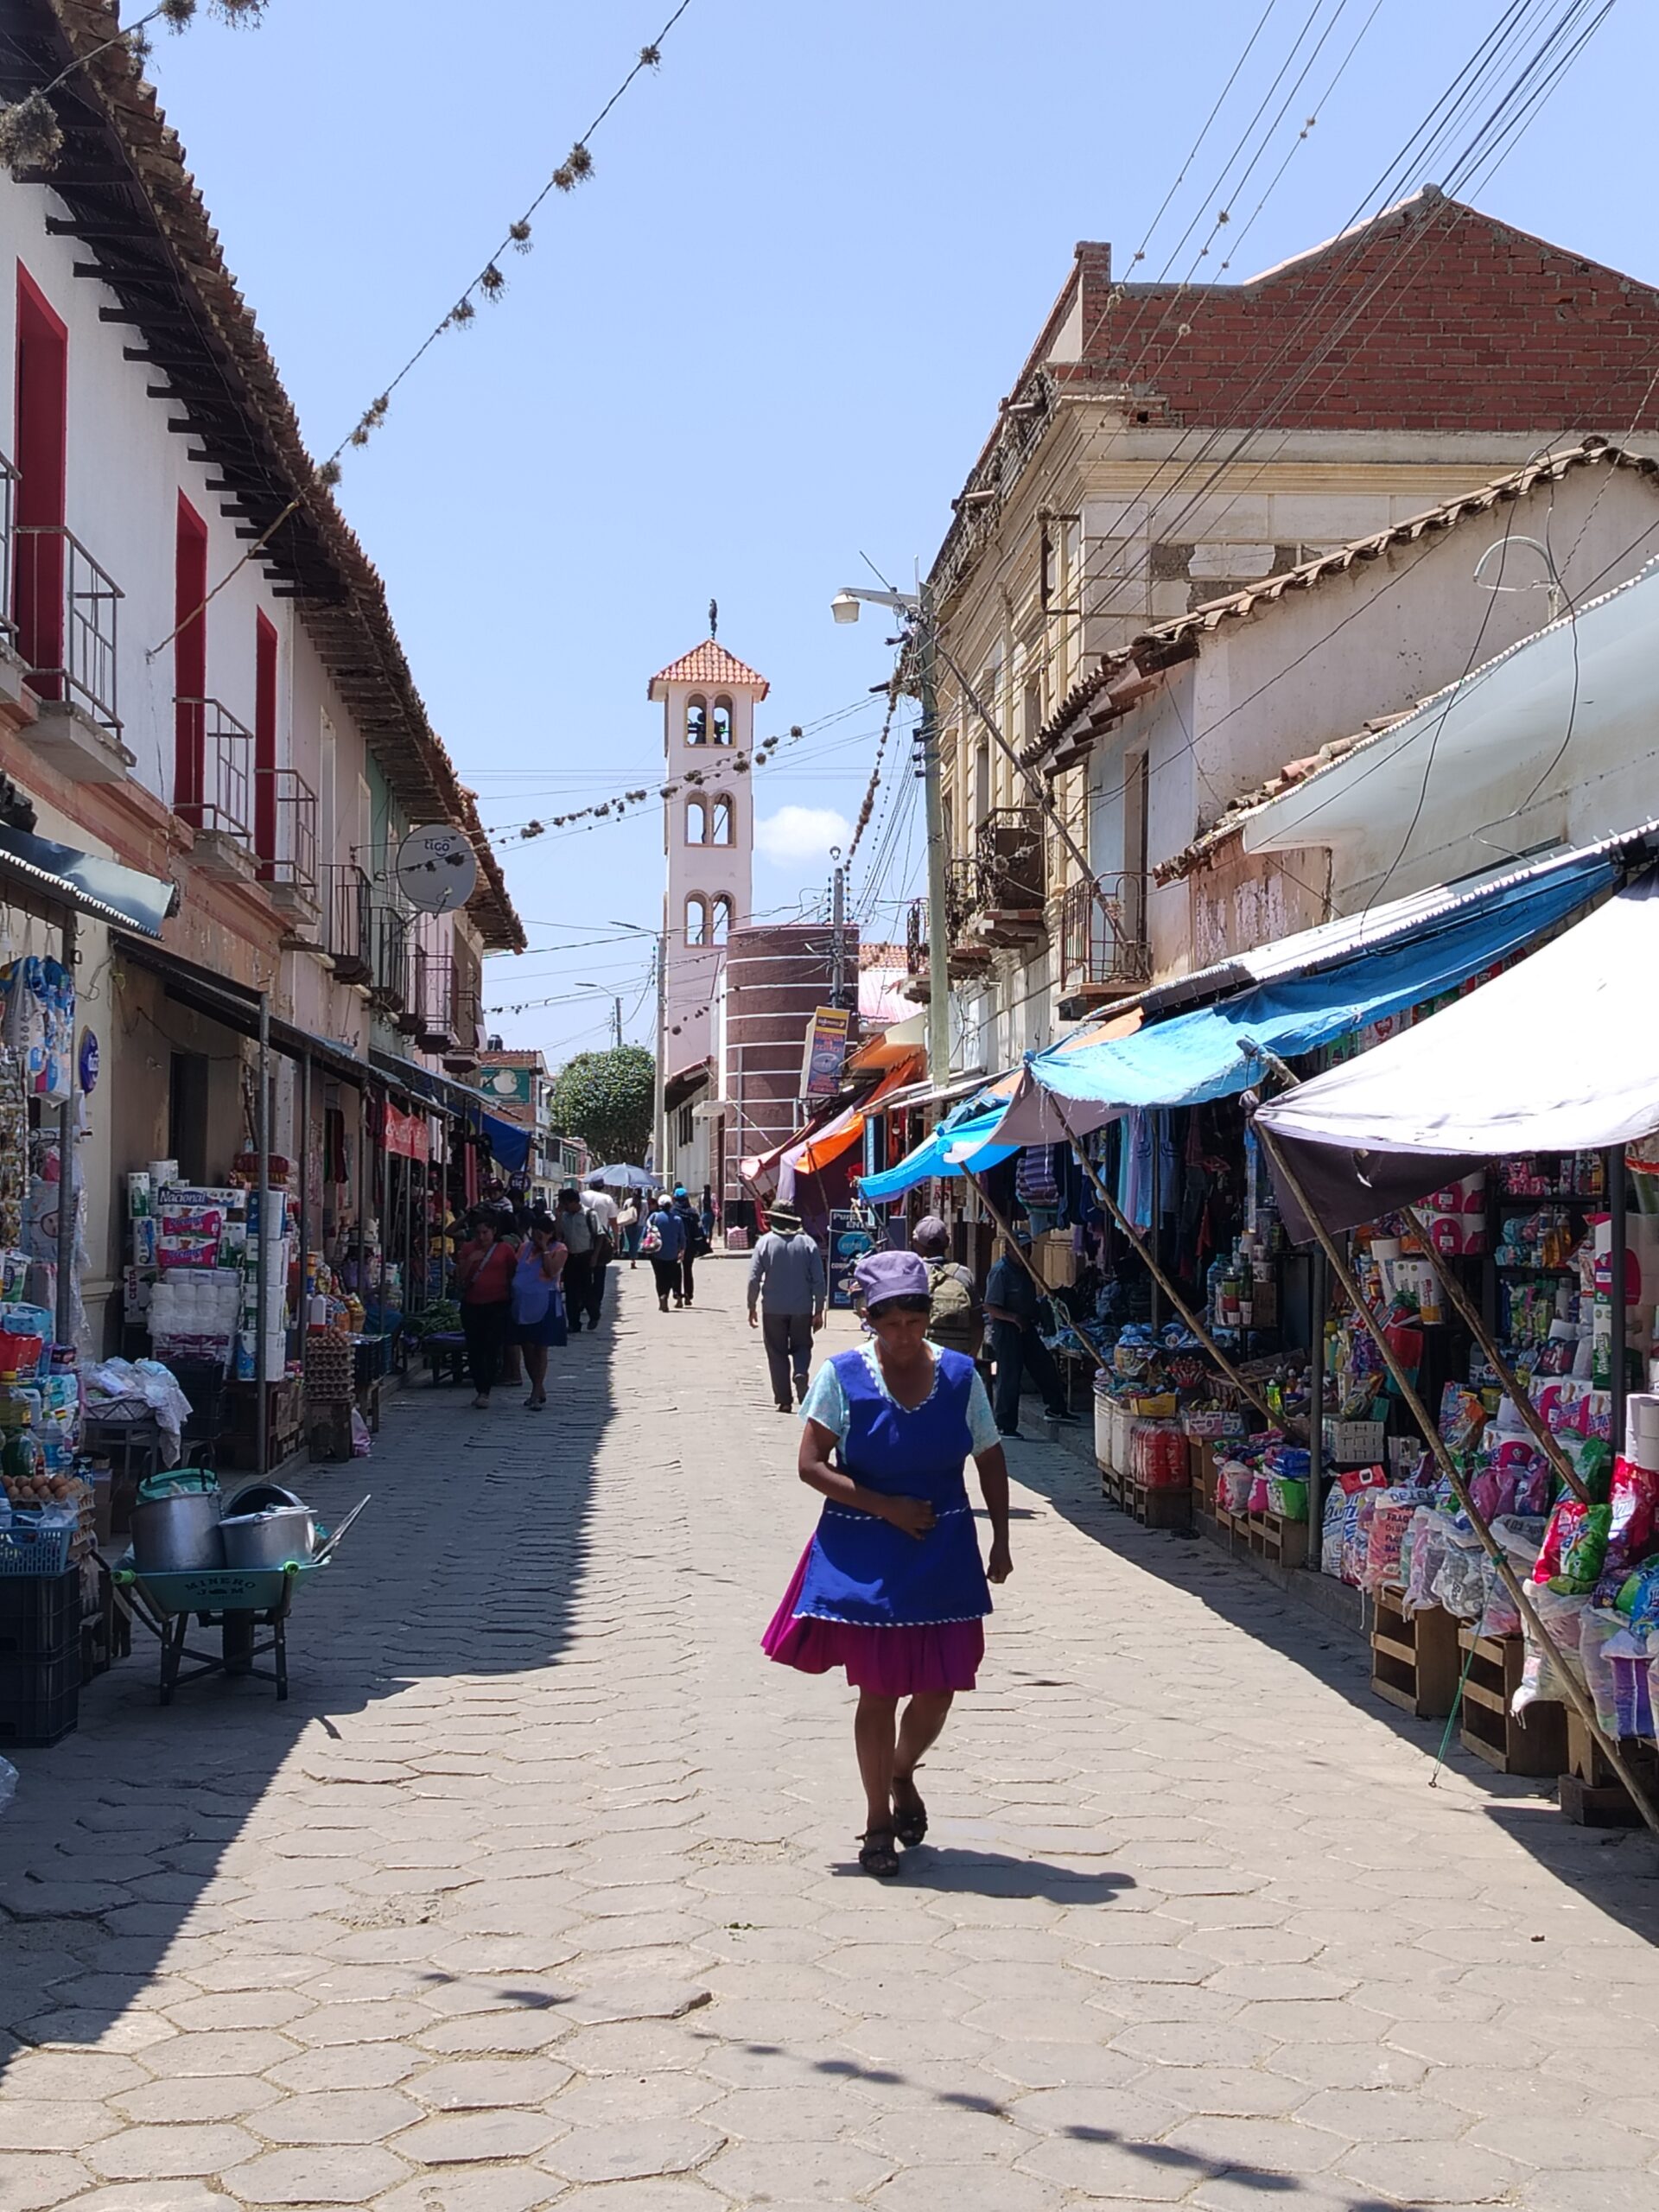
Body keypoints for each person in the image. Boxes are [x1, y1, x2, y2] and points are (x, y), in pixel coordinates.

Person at [764, 1249, 1011, 1878]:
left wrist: (1002, 1540)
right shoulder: (841, 1376)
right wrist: (885, 1507)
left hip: (944, 1549)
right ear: (867, 1318)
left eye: (914, 1320)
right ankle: (877, 1822)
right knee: (878, 1692)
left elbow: (988, 1455)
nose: (902, 1335)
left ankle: (902, 1769)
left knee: (940, 1689)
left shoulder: (961, 1376)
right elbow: (810, 1463)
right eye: (888, 1322)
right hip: (868, 1552)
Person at [984, 1229, 1072, 1437]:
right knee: (1010, 1375)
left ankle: (1056, 1408)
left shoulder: (1024, 1269)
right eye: (1021, 1248)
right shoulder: (1001, 1272)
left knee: (1044, 1365)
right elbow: (990, 1306)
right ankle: (1005, 1424)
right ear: (1008, 1249)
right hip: (1008, 1329)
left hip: (1026, 1326)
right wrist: (1014, 1318)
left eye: (1028, 1247)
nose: (1026, 1252)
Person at [747, 1204, 826, 1412]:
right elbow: (819, 1280)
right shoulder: (808, 1244)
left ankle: (784, 1399)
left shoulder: (764, 1243)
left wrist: (751, 1306)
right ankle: (800, 1372)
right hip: (802, 1308)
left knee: (776, 1352)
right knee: (802, 1346)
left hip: (773, 1309)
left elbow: (754, 1278)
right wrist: (819, 1310)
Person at [455, 1208, 519, 1409]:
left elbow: (513, 1274)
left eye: (486, 1233)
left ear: (494, 1231)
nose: (482, 1237)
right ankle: (479, 1385)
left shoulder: (504, 1250)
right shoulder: (467, 1249)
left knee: (492, 1347)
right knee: (475, 1348)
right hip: (472, 1304)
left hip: (498, 1303)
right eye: (479, 1233)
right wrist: (470, 1261)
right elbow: (459, 1279)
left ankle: (485, 1391)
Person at [512, 1211, 568, 1409]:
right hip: (523, 1303)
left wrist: (544, 1248)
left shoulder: (559, 1249)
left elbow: (552, 1271)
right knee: (526, 1346)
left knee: (541, 1347)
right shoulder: (524, 1248)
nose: (535, 1237)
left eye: (540, 1233)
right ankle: (537, 1386)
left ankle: (536, 1390)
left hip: (545, 1301)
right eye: (534, 1233)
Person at [911, 1213, 982, 1359]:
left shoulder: (912, 1274)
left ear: (916, 1244)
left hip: (922, 1359)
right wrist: (971, 1357)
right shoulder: (964, 1274)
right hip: (958, 1357)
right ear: (948, 1242)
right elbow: (978, 1322)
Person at [556, 1184, 605, 1333]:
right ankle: (574, 1323)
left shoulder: (589, 1214)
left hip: (586, 1255)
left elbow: (599, 1235)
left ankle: (594, 1315)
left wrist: (595, 1256)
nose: (563, 1207)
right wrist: (557, 1218)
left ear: (573, 1202)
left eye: (565, 1203)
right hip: (570, 1257)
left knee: (587, 1290)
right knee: (571, 1291)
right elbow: (558, 1236)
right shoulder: (564, 1216)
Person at [645, 1191, 685, 1311]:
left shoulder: (654, 1217)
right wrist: (682, 1249)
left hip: (656, 1252)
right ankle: (665, 1295)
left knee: (659, 1276)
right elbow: (682, 1237)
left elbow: (645, 1233)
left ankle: (661, 1297)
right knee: (669, 1276)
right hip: (672, 1252)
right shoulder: (678, 1219)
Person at [671, 1185, 705, 1306]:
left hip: (676, 1246)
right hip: (690, 1246)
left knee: (676, 1271)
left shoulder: (673, 1212)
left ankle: (677, 1295)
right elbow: (699, 1230)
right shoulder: (693, 1213)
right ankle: (688, 1296)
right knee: (688, 1270)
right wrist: (699, 1244)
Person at [618, 1196, 641, 1266]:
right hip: (640, 1224)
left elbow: (624, 1211)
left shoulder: (628, 1201)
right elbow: (646, 1213)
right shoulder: (644, 1202)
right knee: (636, 1242)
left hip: (628, 1222)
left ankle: (632, 1257)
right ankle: (633, 1258)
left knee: (631, 1241)